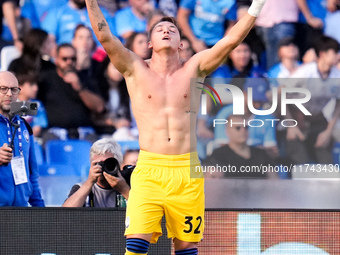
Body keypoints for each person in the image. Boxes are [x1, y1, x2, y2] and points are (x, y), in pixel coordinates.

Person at [85, 0, 267, 254]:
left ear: (181, 43)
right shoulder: (134, 68)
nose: (166, 30)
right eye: (159, 29)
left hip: (187, 170)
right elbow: (104, 36)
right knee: (135, 246)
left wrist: (256, 6)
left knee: (185, 249)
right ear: (149, 43)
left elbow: (230, 41)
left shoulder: (196, 67)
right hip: (149, 170)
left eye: (172, 29)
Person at [283, 35, 340, 164]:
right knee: (299, 159)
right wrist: (290, 125)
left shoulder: (337, 76)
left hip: (316, 118)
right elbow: (281, 94)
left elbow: (338, 103)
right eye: (335, 52)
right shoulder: (305, 72)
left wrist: (328, 131)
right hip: (292, 115)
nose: (338, 56)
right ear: (322, 54)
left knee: (326, 161)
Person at [37, 43, 105, 141]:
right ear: (56, 60)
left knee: (99, 150)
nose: (69, 62)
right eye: (65, 59)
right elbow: (32, 100)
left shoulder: (85, 78)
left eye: (73, 59)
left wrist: (79, 88)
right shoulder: (46, 79)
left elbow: (99, 107)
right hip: (54, 132)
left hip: (84, 132)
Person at [0, 71, 45, 207]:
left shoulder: (24, 126)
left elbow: (32, 176)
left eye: (14, 89)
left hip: (20, 213)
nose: (9, 94)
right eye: (3, 89)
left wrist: (41, 210)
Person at [63, 138, 130, 207]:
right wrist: (89, 183)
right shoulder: (81, 188)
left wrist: (124, 190)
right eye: (99, 163)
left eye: (108, 163)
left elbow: (141, 210)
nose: (103, 168)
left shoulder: (130, 186)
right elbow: (65, 214)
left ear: (118, 164)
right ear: (91, 164)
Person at [203, 115, 277, 179]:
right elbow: (211, 185)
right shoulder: (218, 156)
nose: (243, 131)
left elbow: (274, 183)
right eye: (238, 128)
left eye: (246, 127)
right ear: (227, 131)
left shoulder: (262, 155)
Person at [16, 72, 48, 138]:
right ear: (20, 88)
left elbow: (37, 128)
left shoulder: (37, 105)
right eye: (31, 85)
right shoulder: (10, 104)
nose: (36, 88)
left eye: (36, 84)